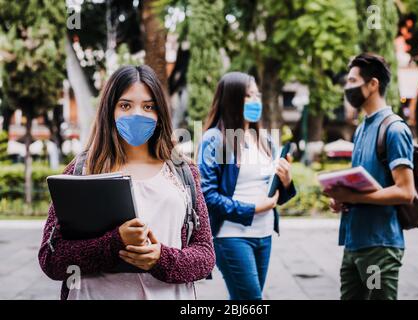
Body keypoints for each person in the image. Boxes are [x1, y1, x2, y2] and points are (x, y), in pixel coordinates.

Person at [38, 65, 215, 300]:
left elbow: (205, 256)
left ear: (160, 113)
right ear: (109, 110)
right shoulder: (81, 170)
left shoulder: (184, 172)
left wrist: (160, 258)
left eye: (148, 106)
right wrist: (114, 243)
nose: (137, 115)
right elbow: (51, 259)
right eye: (125, 105)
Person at [197, 72, 297, 300]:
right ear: (231, 100)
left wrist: (287, 181)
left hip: (264, 234)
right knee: (252, 301)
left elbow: (274, 194)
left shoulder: (265, 139)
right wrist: (253, 209)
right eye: (248, 96)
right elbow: (207, 196)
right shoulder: (215, 139)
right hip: (230, 235)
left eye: (257, 95)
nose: (255, 101)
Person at [323, 53, 415, 300]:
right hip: (353, 244)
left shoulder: (394, 129)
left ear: (373, 84)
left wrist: (354, 196)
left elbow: (406, 191)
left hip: (380, 247)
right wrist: (342, 198)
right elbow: (363, 182)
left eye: (353, 81)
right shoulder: (362, 128)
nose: (347, 87)